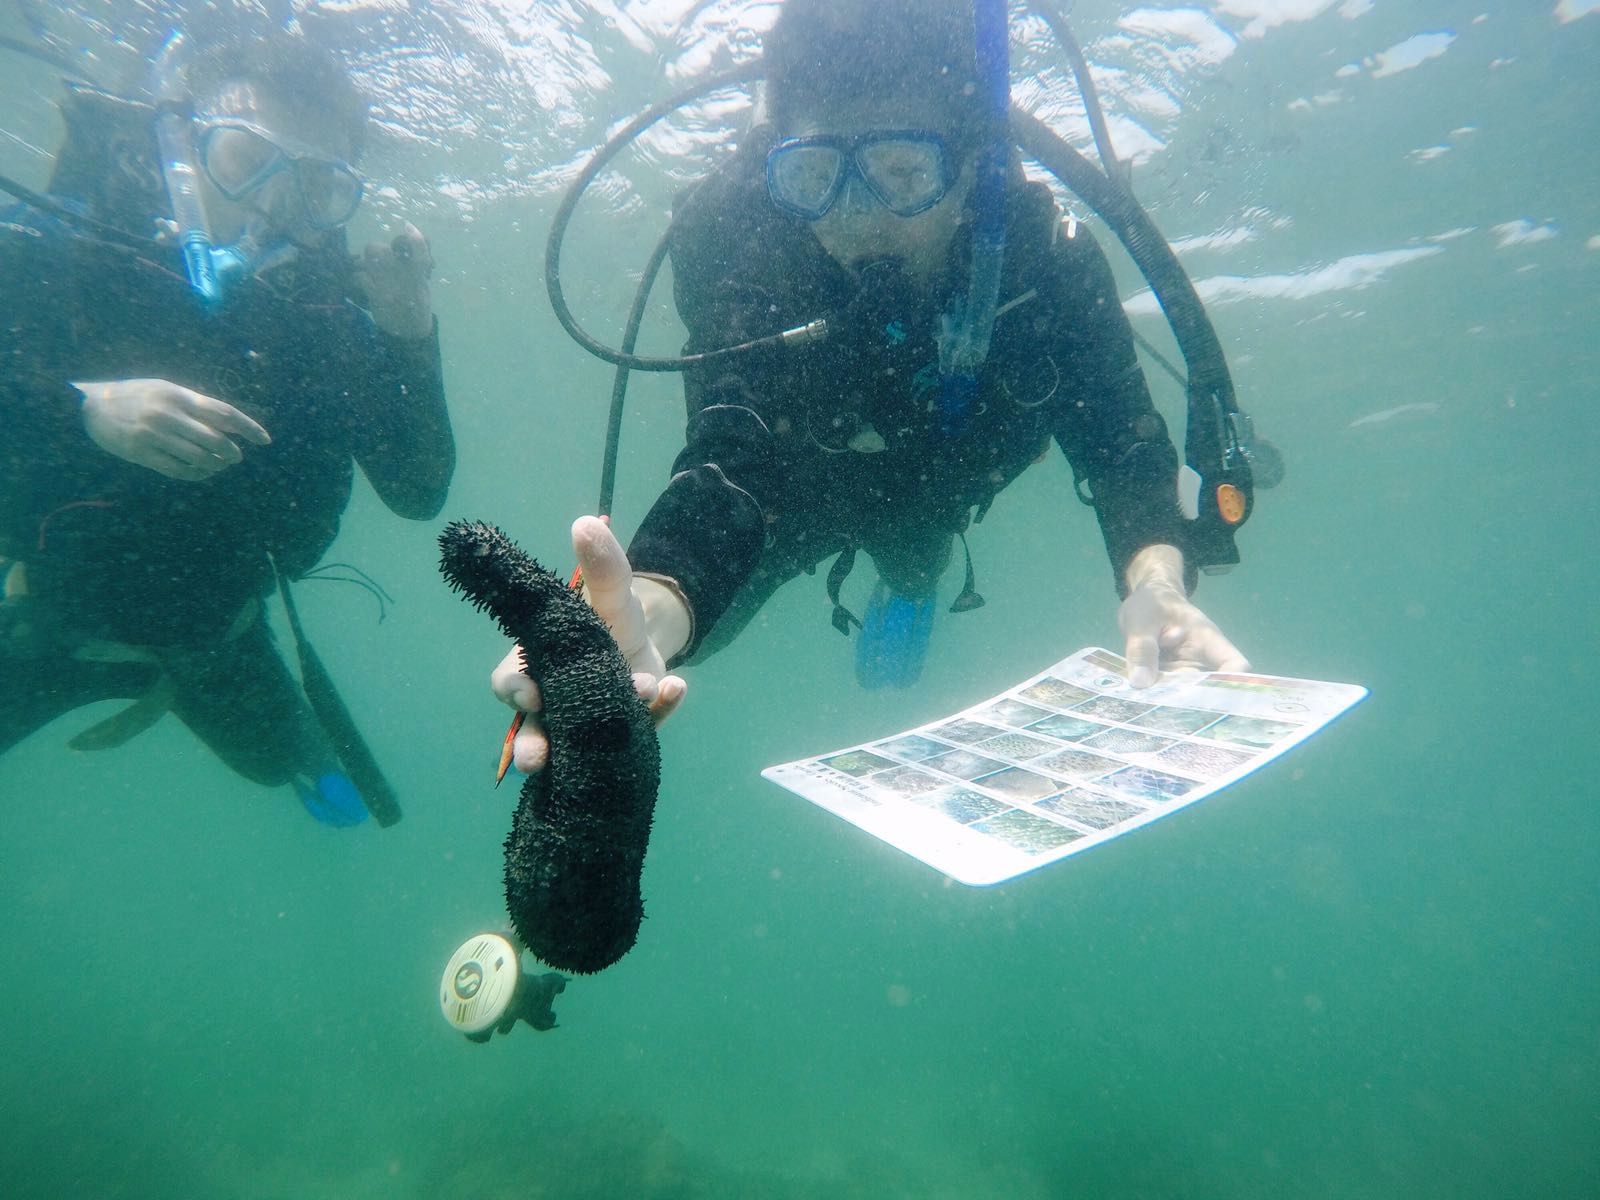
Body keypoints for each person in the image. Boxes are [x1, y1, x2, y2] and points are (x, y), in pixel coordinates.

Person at [493, 0, 1246, 773]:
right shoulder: (745, 251)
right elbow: (725, 459)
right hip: (799, 489)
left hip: (954, 470)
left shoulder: (1041, 261)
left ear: (972, 173)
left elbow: (1125, 449)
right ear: (776, 169)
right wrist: (654, 596)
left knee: (917, 551)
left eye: (902, 171)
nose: (856, 216)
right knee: (690, 632)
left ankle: (912, 583)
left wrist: (1158, 583)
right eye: (815, 175)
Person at [0, 24, 454, 825]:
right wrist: (83, 414)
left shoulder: (319, 322)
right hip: (38, 621)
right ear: (178, 147)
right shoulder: (60, 255)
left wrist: (410, 335)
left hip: (216, 642)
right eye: (246, 163)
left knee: (317, 789)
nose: (275, 211)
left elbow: (419, 491)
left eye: (316, 189)